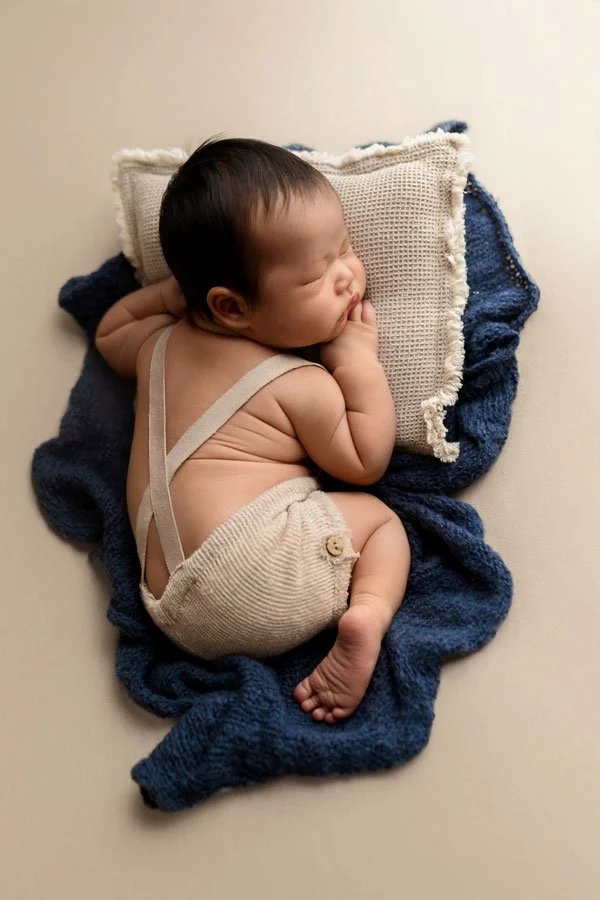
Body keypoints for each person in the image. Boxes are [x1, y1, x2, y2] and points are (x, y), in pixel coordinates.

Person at [96, 137, 411, 724]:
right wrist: (358, 360)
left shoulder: (154, 347)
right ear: (233, 308)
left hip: (168, 606)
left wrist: (177, 293)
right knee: (382, 523)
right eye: (318, 277)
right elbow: (366, 461)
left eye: (343, 248)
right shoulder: (302, 383)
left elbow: (110, 331)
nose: (347, 277)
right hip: (254, 577)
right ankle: (367, 613)